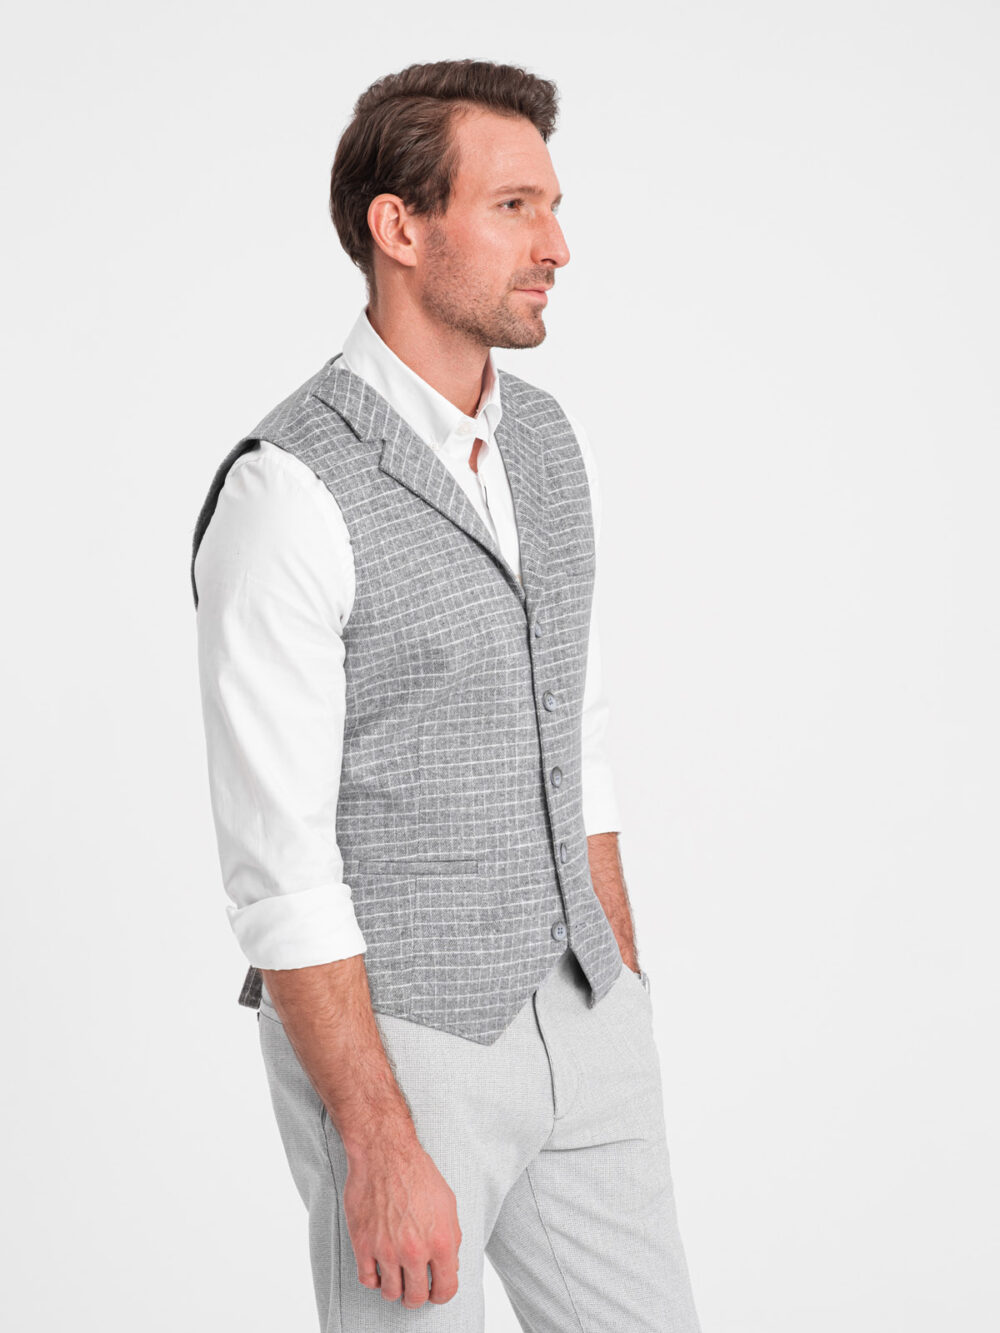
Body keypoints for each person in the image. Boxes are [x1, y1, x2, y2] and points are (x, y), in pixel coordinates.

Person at [191, 57, 702, 1332]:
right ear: (400, 228)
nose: (557, 246)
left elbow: (575, 732)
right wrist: (374, 1133)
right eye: (515, 207)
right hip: (405, 1050)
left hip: (585, 1019)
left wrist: (620, 980)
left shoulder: (549, 444)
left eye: (553, 207)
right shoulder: (286, 491)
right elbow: (278, 863)